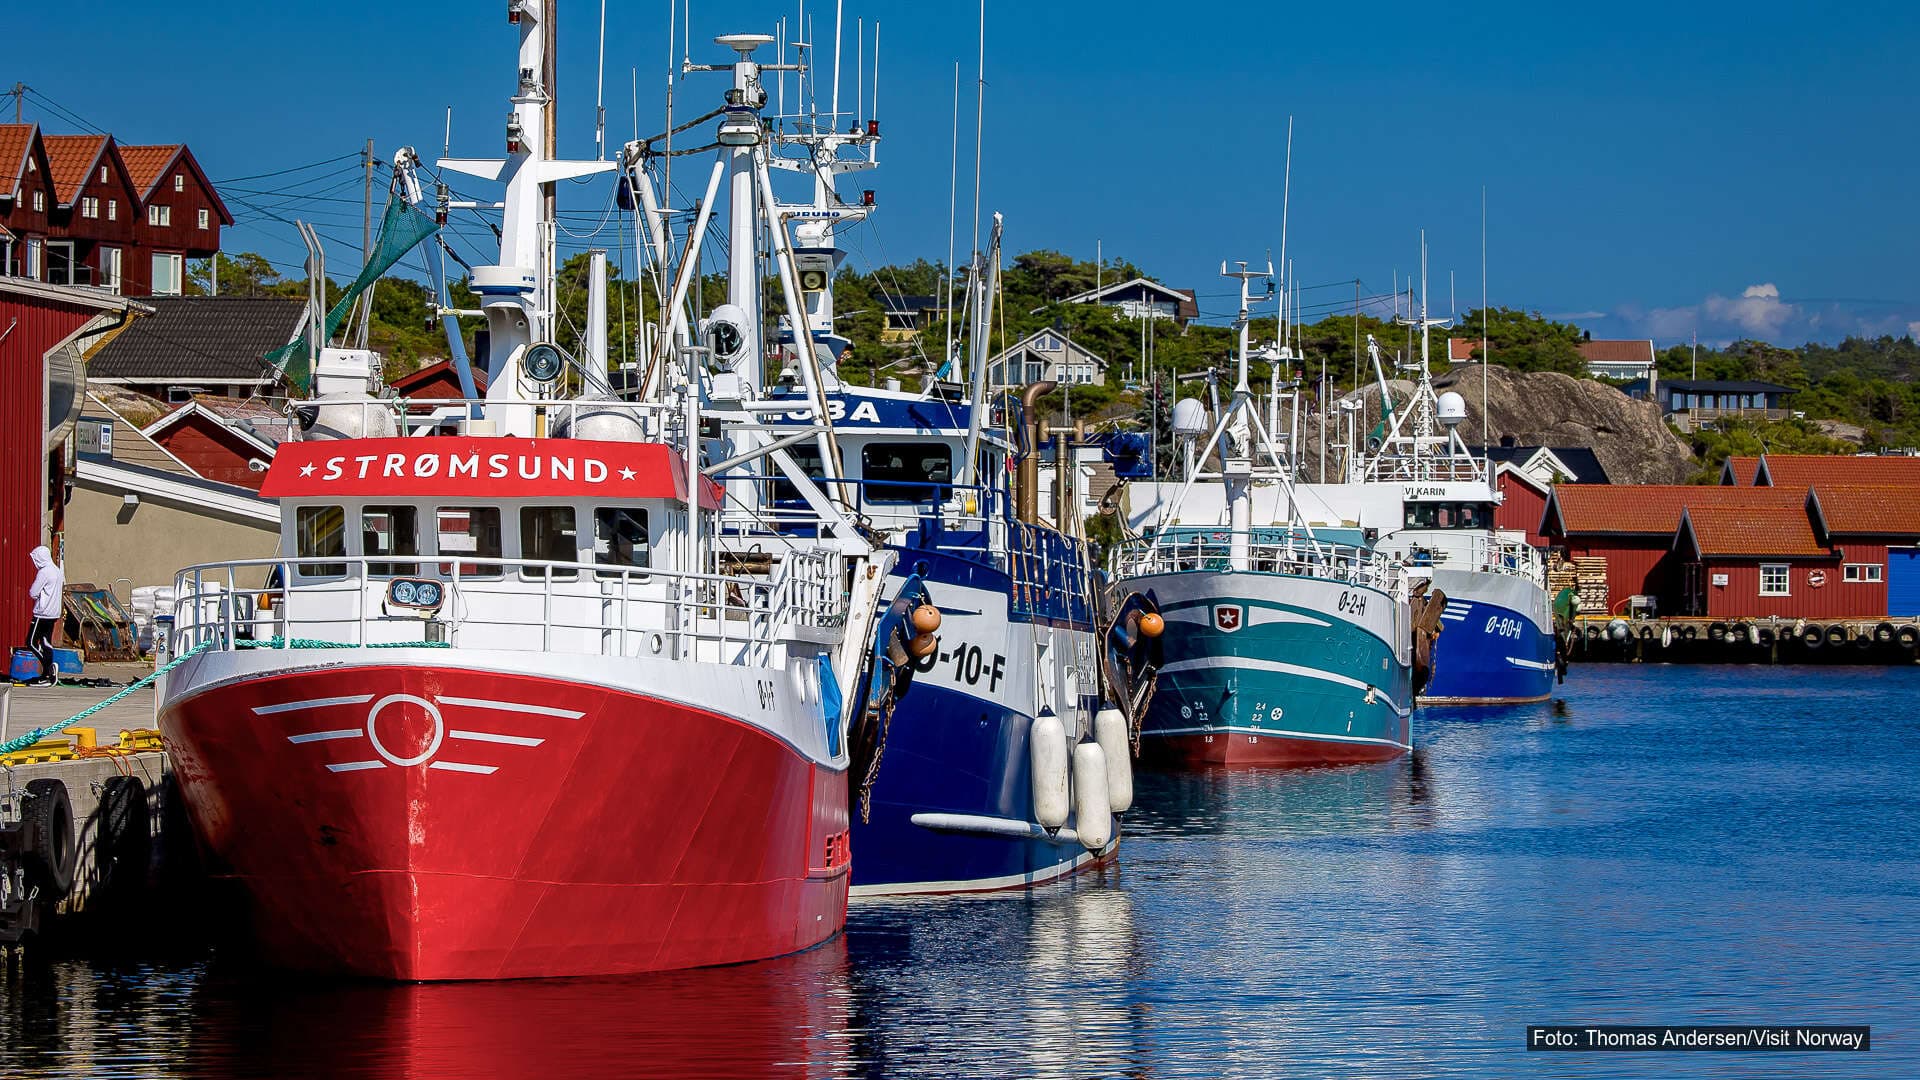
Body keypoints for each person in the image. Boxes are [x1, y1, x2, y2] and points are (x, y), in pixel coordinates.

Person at [26, 545, 63, 687]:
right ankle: (46, 675)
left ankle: (48, 671)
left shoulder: (44, 572)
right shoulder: (57, 571)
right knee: (46, 642)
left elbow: (33, 592)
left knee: (30, 642)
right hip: (53, 613)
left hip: (42, 613)